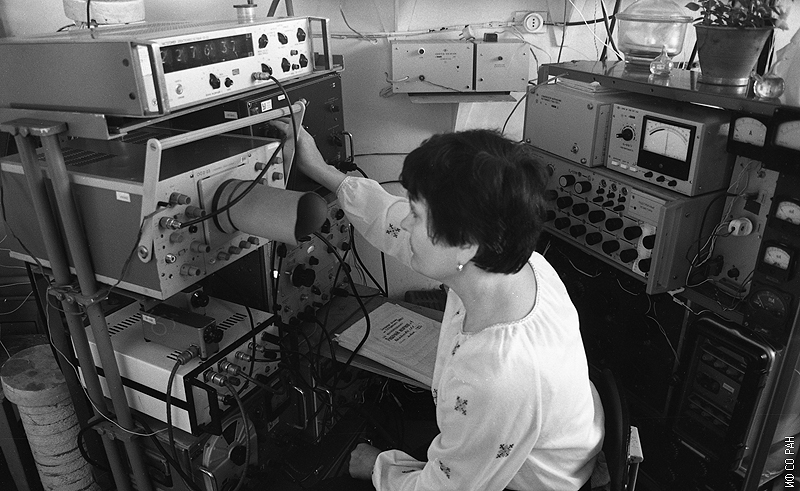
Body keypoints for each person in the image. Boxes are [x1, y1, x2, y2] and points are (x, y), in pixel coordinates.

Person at [276, 120, 604, 491]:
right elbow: (391, 221)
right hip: (534, 445)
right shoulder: (515, 261)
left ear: (465, 245)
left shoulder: (495, 377)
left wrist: (378, 467)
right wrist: (322, 171)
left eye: (416, 214)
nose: (405, 221)